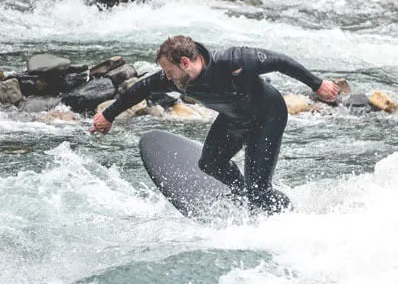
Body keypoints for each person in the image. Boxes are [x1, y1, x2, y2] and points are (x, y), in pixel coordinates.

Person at [91, 36, 339, 213]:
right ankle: (244, 195)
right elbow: (140, 88)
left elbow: (279, 61)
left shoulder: (233, 61)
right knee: (209, 163)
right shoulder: (178, 80)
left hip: (267, 116)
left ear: (185, 63)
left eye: (168, 71)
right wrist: (109, 115)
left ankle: (289, 218)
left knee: (259, 190)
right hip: (236, 118)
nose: (166, 77)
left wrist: (317, 84)